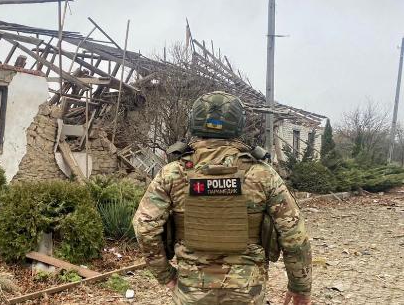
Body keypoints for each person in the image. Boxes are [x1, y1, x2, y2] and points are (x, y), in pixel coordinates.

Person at [133, 91, 312, 305]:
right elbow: (294, 235)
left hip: (191, 291)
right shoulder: (263, 174)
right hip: (247, 292)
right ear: (239, 124)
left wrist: (166, 276)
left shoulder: (173, 173)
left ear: (194, 122)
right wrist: (300, 287)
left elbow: (144, 227)